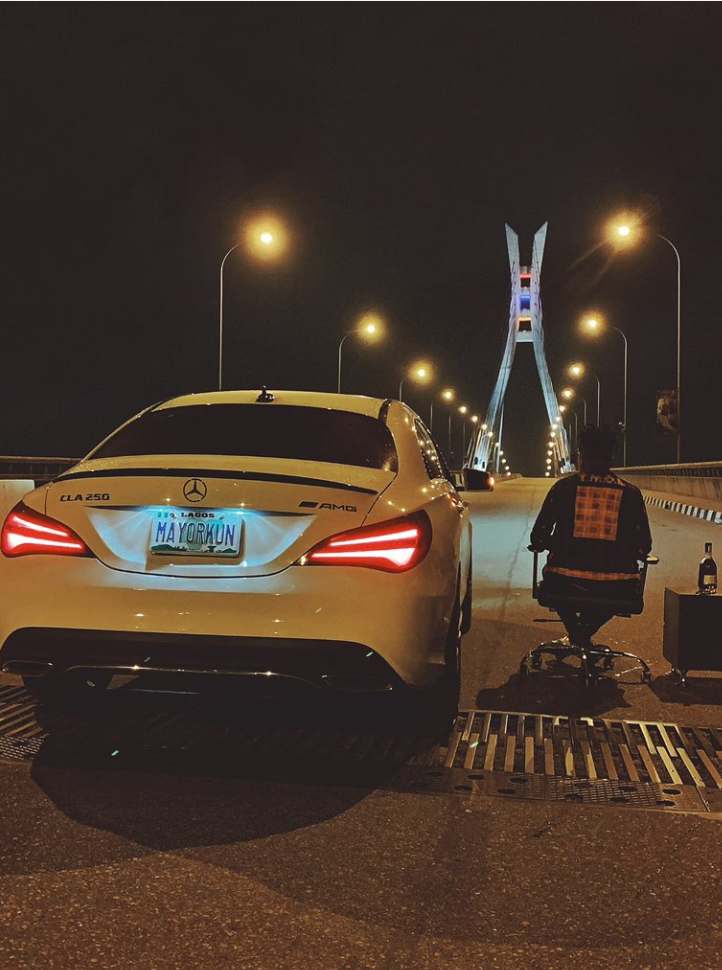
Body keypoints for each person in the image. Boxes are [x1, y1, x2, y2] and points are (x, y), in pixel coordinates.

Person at [530, 425, 652, 649]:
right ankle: (583, 633)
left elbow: (538, 537)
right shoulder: (631, 494)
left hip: (564, 582)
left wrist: (556, 545)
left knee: (557, 586)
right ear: (611, 458)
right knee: (612, 594)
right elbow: (644, 545)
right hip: (617, 586)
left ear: (581, 455)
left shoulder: (563, 489)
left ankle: (577, 634)